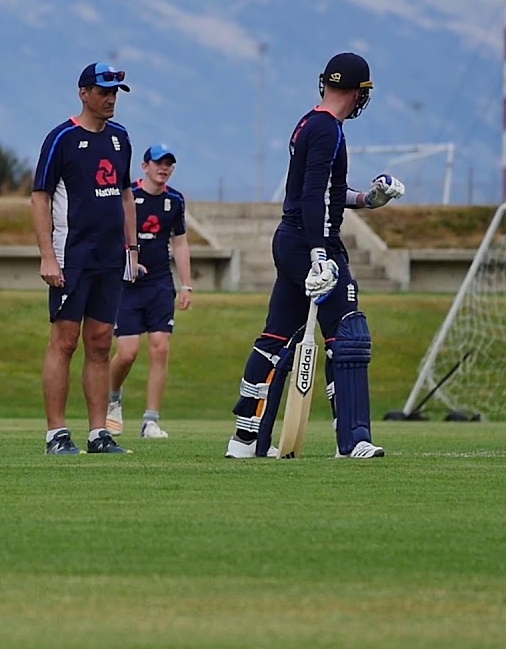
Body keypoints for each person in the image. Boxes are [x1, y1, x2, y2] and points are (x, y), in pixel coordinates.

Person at [225, 52, 405, 460]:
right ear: (359, 92)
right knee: (348, 334)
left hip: (292, 240)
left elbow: (324, 191)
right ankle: (353, 440)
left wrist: (368, 199)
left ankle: (247, 440)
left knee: (275, 338)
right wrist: (319, 252)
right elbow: (311, 196)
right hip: (310, 242)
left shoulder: (312, 121)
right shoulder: (327, 129)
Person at [31, 62, 139, 455]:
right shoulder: (61, 138)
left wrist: (133, 249)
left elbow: (126, 195)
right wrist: (47, 256)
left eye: (114, 93)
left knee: (100, 341)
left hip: (110, 258)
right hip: (72, 256)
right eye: (103, 91)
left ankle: (98, 433)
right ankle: (56, 434)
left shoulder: (120, 138)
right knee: (65, 340)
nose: (110, 99)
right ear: (83, 93)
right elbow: (40, 197)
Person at [105, 144, 192, 440]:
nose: (163, 168)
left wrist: (187, 285)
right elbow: (113, 235)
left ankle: (151, 420)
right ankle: (112, 397)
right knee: (127, 353)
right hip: (127, 285)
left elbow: (179, 243)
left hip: (159, 284)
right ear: (144, 166)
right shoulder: (129, 196)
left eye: (168, 164)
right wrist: (130, 262)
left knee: (160, 347)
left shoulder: (175, 201)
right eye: (158, 163)